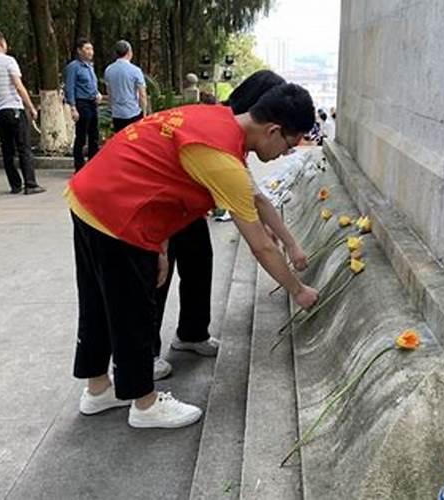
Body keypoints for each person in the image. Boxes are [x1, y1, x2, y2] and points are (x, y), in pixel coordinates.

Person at [65, 83, 319, 429]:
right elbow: (260, 245)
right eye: (289, 144)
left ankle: (97, 390)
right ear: (273, 130)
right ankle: (144, 403)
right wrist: (298, 290)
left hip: (91, 195)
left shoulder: (217, 121)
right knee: (133, 308)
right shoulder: (222, 160)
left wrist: (160, 245)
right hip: (119, 212)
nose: (286, 153)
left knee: (97, 300)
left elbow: (159, 171)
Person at [151, 70, 308, 381]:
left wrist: (289, 241)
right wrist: (297, 289)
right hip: (161, 207)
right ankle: (145, 354)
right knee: (157, 276)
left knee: (199, 260)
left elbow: (256, 196)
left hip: (189, 208)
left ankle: (192, 332)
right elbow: (258, 240)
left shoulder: (242, 134)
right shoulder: (221, 130)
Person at [0, 29, 45, 195]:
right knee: (24, 147)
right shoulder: (8, 61)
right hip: (13, 108)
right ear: (1, 42)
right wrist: (31, 107)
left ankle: (15, 185)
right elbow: (18, 86)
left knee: (7, 149)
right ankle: (30, 184)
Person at [64, 38, 101, 171]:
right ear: (79, 51)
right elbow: (70, 87)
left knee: (94, 135)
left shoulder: (90, 66)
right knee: (81, 135)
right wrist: (73, 108)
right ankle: (79, 166)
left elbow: (92, 84)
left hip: (92, 102)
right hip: (81, 103)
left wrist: (98, 93)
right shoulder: (73, 67)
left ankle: (94, 165)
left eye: (91, 49)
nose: (90, 52)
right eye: (87, 49)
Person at [104, 40, 147, 133]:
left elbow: (109, 93)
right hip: (133, 111)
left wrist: (110, 110)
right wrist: (144, 112)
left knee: (121, 140)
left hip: (117, 113)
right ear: (129, 52)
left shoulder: (109, 70)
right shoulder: (135, 70)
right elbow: (142, 94)